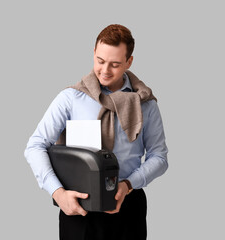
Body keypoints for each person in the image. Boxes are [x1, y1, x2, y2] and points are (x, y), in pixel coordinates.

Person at [24, 24, 168, 240]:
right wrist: (58, 193)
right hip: (79, 208)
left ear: (129, 62)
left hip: (128, 206)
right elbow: (35, 146)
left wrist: (128, 185)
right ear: (93, 53)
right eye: (100, 61)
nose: (105, 70)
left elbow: (159, 157)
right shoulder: (71, 98)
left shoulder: (145, 103)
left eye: (115, 64)